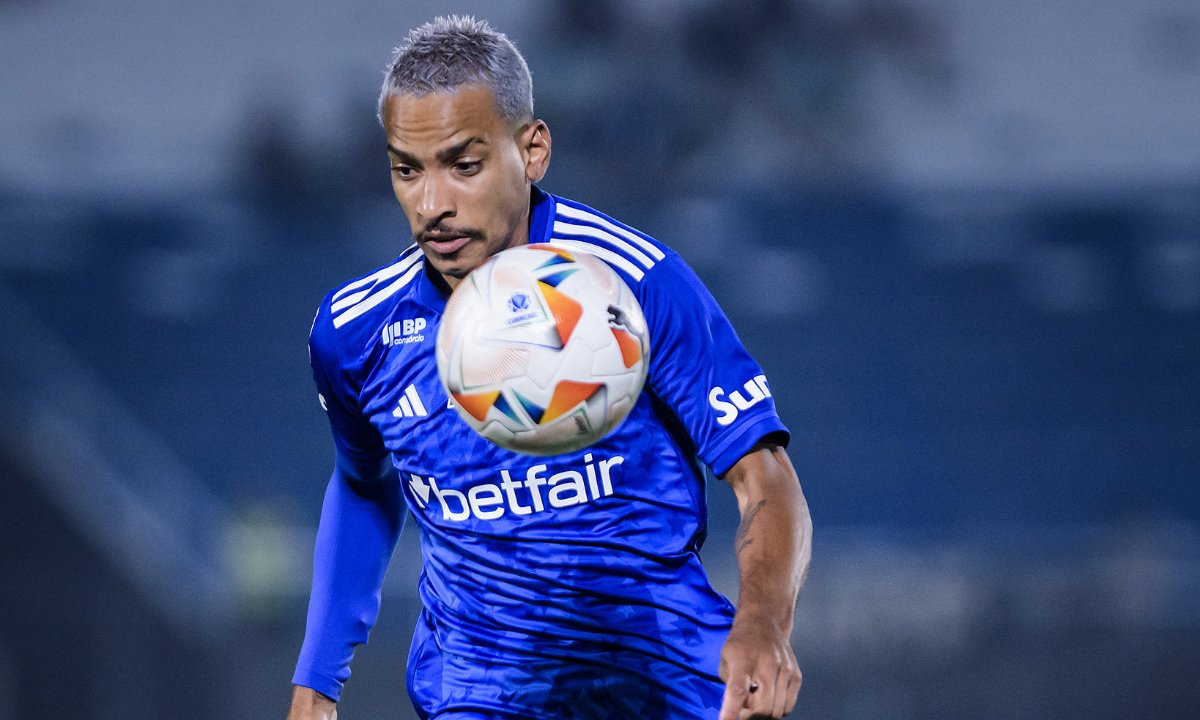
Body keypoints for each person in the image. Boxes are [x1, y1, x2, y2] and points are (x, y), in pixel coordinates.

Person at [287, 15, 812, 720]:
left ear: (532, 150)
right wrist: (317, 683)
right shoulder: (355, 333)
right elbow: (362, 486)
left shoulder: (635, 284)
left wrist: (763, 624)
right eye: (407, 170)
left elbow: (765, 477)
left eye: (463, 165)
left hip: (669, 691)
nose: (432, 204)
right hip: (476, 699)